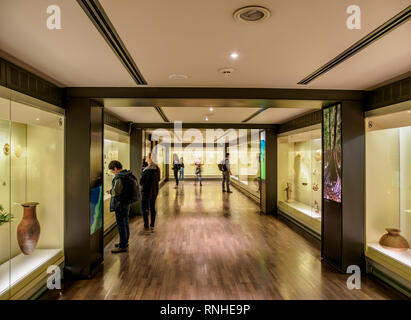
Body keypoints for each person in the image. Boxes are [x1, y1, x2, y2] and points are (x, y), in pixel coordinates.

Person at [108, 160, 139, 253]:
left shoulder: (119, 177)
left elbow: (116, 192)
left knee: (121, 224)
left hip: (120, 204)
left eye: (112, 171)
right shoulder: (127, 174)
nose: (113, 173)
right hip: (126, 203)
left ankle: (122, 245)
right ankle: (124, 242)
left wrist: (110, 191)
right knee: (125, 222)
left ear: (115, 169)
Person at [140, 154, 160, 232]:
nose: (145, 158)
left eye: (147, 157)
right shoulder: (157, 168)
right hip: (154, 191)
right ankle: (152, 225)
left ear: (150, 159)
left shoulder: (146, 170)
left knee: (144, 208)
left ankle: (146, 225)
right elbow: (158, 179)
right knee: (152, 207)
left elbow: (141, 182)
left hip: (145, 192)